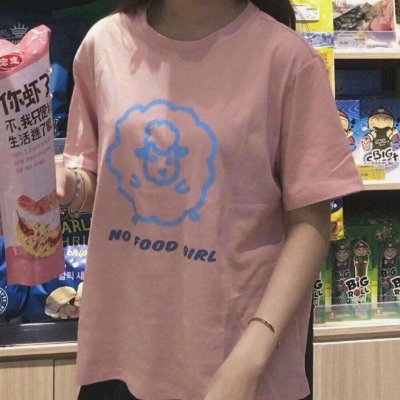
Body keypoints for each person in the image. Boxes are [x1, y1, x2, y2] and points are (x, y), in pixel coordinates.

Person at [56, 0, 364, 399]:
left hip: (238, 359)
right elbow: (102, 183)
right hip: (122, 353)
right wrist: (66, 185)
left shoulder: (287, 59)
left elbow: (311, 223)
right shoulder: (104, 44)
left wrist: (251, 355)